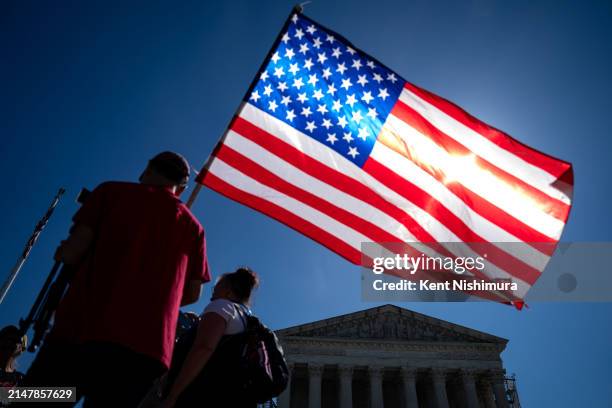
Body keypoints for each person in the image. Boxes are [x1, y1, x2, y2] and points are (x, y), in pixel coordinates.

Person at [24, 151, 211, 407]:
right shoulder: (194, 229)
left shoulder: (110, 193)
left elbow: (71, 253)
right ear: (180, 187)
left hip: (81, 333)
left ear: (147, 170)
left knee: (35, 399)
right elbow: (192, 293)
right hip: (144, 354)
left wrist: (66, 251)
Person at [161, 267, 259, 408]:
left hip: (201, 393)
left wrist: (173, 395)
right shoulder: (245, 317)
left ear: (228, 292)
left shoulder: (221, 305)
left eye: (216, 287)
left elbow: (204, 348)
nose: (212, 293)